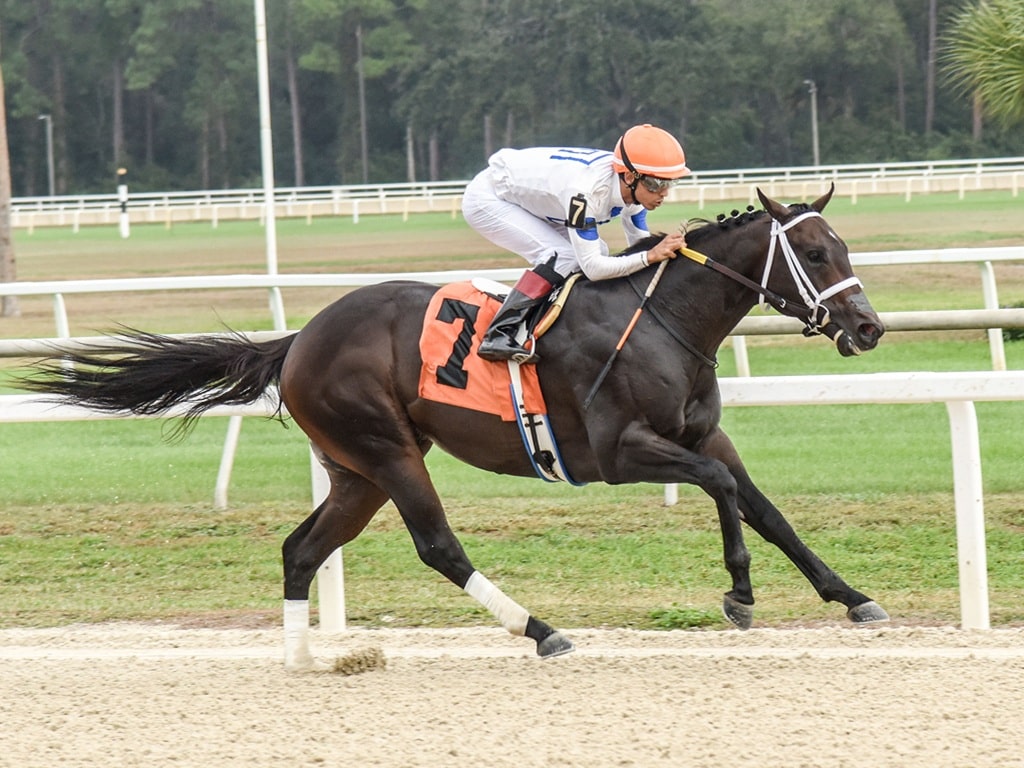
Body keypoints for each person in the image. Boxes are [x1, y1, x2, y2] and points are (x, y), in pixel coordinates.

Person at [461, 123, 690, 362]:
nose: (664, 193)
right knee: (565, 256)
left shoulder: (632, 188)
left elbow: (640, 244)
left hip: (538, 201)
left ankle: (561, 320)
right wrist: (650, 256)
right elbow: (595, 268)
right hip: (489, 199)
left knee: (599, 249)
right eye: (656, 185)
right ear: (630, 177)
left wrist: (661, 257)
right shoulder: (586, 193)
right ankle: (499, 332)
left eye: (669, 183)